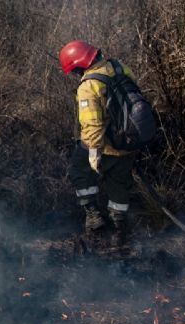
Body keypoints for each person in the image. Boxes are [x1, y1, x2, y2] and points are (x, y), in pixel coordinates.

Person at [59, 40, 137, 251]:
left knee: (78, 171)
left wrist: (94, 152)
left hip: (106, 145)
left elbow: (92, 124)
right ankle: (119, 233)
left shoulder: (89, 85)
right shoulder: (119, 67)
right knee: (119, 186)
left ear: (79, 64)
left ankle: (94, 220)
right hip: (129, 142)